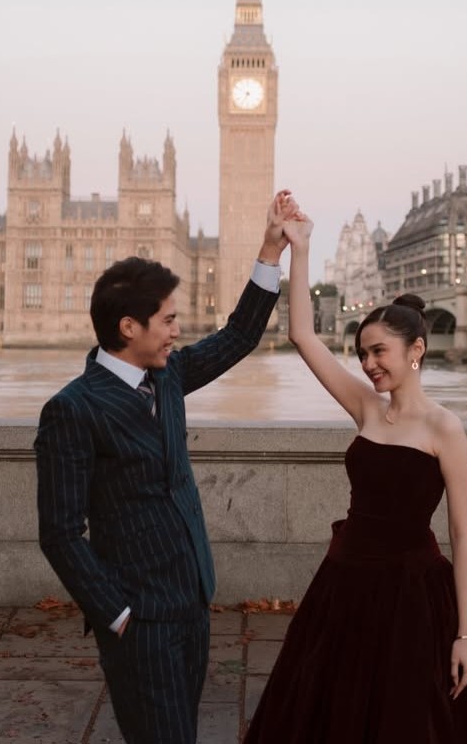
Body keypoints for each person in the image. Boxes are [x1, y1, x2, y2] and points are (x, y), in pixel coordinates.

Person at [245, 202, 467, 743]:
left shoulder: (446, 429)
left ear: (415, 350)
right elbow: (303, 334)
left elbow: (463, 535)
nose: (368, 363)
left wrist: (465, 635)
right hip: (345, 582)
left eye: (379, 352)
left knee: (404, 717)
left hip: (411, 595)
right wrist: (300, 248)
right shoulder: (366, 407)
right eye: (362, 354)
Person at [35, 191, 297, 744]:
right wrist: (116, 615)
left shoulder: (168, 376)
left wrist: (270, 251)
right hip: (139, 619)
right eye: (170, 320)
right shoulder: (73, 409)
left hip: (191, 603)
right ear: (129, 327)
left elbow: (238, 337)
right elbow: (60, 533)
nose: (178, 330)